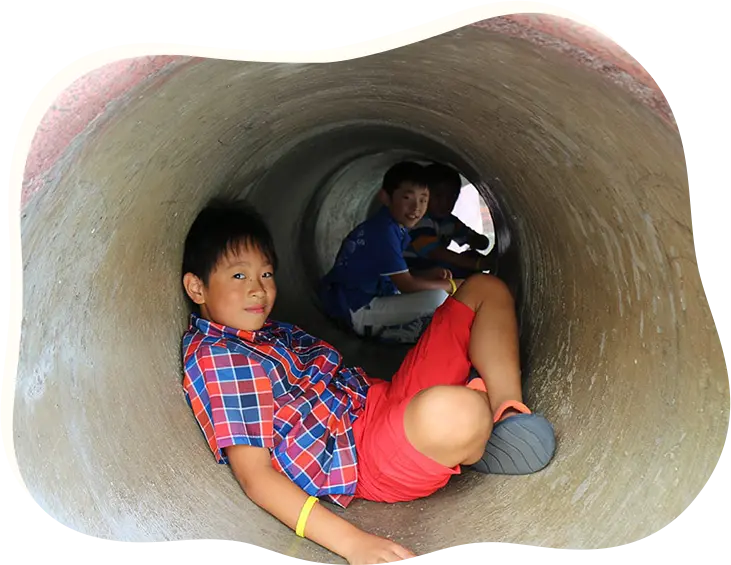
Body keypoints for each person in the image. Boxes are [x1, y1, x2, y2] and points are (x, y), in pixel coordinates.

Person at [180, 197, 556, 565]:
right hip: (368, 455)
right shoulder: (223, 358)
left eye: (266, 274)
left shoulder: (261, 334)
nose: (258, 289)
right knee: (459, 412)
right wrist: (352, 543)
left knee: (485, 290)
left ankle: (505, 414)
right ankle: (474, 430)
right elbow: (256, 477)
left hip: (378, 400)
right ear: (197, 288)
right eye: (239, 275)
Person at [318, 161, 460, 344]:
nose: (416, 207)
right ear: (385, 197)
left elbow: (396, 276)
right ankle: (385, 331)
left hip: (366, 300)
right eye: (407, 198)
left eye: (423, 200)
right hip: (358, 309)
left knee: (437, 294)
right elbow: (406, 285)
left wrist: (428, 275)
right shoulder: (383, 231)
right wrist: (452, 285)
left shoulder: (391, 227)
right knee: (439, 298)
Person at [404, 162, 497, 280]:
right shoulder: (419, 220)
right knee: (456, 268)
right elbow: (436, 252)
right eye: (438, 196)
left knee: (470, 258)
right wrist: (475, 263)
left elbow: (473, 238)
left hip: (433, 265)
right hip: (412, 271)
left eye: (451, 197)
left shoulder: (449, 221)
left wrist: (478, 241)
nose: (444, 203)